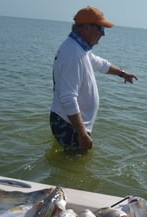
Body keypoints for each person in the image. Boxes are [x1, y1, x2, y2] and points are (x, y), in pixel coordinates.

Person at [50, 6, 138, 150]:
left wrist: (122, 73)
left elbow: (100, 64)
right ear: (86, 28)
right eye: (101, 29)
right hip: (69, 125)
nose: (103, 34)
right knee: (75, 167)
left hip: (71, 124)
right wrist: (82, 134)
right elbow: (68, 97)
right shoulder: (73, 54)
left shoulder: (80, 49)